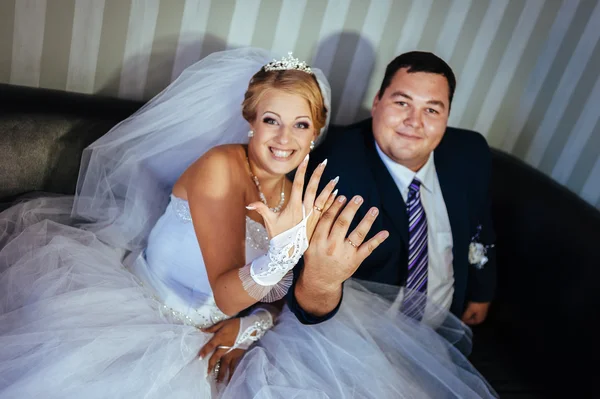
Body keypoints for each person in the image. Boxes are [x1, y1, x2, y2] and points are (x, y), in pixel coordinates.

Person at [0, 48, 496, 399]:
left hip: (241, 326)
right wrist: (280, 255)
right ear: (250, 120)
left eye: (301, 124)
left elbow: (280, 295)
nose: (285, 138)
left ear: (315, 131)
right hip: (158, 317)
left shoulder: (304, 188)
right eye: (271, 120)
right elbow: (222, 292)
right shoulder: (220, 167)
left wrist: (253, 323)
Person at [289, 52, 497, 327]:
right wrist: (320, 281)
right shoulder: (332, 167)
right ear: (377, 102)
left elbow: (480, 224)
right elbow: (304, 301)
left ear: (447, 115)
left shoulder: (470, 152)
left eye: (432, 109)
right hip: (361, 336)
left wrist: (482, 292)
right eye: (402, 103)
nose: (414, 121)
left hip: (446, 326)